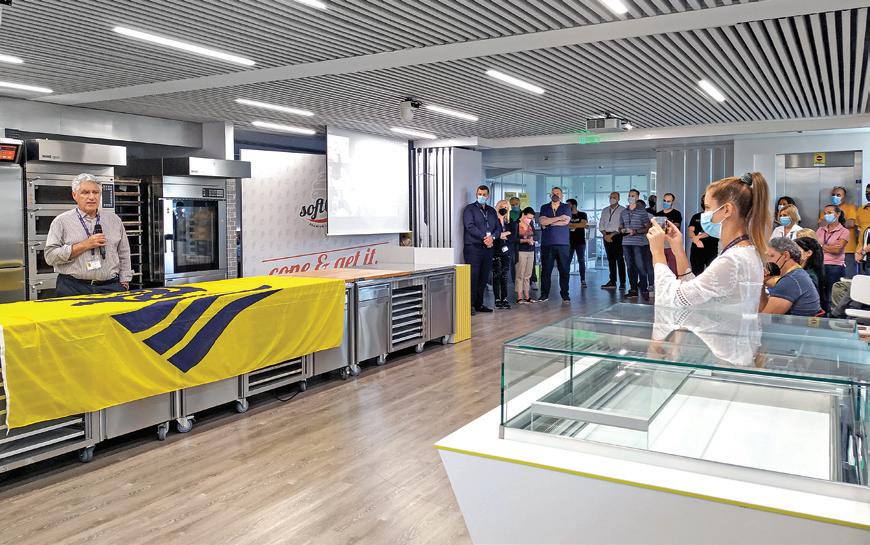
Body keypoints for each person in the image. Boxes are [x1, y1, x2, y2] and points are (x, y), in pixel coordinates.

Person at [647, 172, 770, 313]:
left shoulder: (732, 260)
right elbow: (695, 293)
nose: (704, 214)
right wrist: (678, 250)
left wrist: (657, 252)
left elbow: (674, 299)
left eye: (707, 207)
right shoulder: (745, 251)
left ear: (727, 210)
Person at [44, 174, 132, 297]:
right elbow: (50, 257)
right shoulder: (61, 221)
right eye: (85, 192)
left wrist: (124, 280)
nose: (91, 197)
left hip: (110, 287)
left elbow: (124, 252)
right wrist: (85, 245)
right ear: (74, 195)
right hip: (73, 288)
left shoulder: (114, 220)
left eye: (95, 192)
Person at [462, 185, 502, 314]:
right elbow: (470, 226)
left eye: (484, 194)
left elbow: (498, 228)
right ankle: (470, 305)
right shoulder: (469, 209)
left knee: (484, 277)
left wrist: (493, 237)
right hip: (473, 248)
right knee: (473, 277)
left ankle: (479, 304)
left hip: (488, 249)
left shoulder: (491, 211)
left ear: (488, 196)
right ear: (476, 194)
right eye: (480, 194)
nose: (482, 196)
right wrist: (485, 237)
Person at [760, 237, 821, 317]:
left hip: (795, 324)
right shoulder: (797, 274)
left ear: (786, 256)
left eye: (771, 256)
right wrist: (762, 282)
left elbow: (764, 317)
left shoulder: (791, 280)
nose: (767, 261)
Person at [538, 187, 572, 303]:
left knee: (564, 270)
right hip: (547, 244)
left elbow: (565, 222)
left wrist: (549, 222)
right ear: (550, 195)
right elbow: (542, 221)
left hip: (563, 244)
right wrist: (559, 218)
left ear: (561, 195)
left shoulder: (566, 207)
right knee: (546, 271)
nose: (555, 194)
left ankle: (565, 295)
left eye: (558, 193)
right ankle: (544, 295)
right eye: (553, 193)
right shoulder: (544, 207)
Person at [620, 189, 653, 299]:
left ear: (637, 197)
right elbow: (620, 226)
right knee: (630, 267)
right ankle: (633, 289)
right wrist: (621, 229)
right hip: (626, 242)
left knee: (640, 266)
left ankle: (644, 289)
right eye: (629, 195)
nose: (631, 197)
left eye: (633, 195)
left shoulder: (642, 212)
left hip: (639, 243)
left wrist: (635, 231)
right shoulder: (623, 212)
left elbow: (647, 228)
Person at [816, 204, 850, 311]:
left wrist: (821, 246)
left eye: (830, 213)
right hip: (819, 265)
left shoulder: (844, 231)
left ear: (838, 214)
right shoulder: (820, 230)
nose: (827, 215)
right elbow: (814, 247)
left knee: (832, 297)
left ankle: (833, 317)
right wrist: (828, 247)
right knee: (820, 296)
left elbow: (837, 250)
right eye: (825, 213)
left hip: (835, 266)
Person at [819, 186, 858, 278]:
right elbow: (821, 224)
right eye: (833, 195)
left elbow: (851, 223)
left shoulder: (850, 207)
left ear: (844, 196)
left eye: (838, 195)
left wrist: (833, 223)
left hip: (848, 250)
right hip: (826, 254)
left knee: (847, 278)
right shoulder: (827, 209)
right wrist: (837, 221)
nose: (835, 197)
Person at [598, 191, 626, 290]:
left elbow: (623, 226)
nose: (612, 199)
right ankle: (612, 281)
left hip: (617, 236)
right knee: (610, 260)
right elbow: (601, 224)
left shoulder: (623, 210)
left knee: (620, 259)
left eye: (614, 197)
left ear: (618, 199)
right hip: (606, 236)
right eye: (610, 197)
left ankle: (622, 282)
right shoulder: (605, 210)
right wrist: (605, 235)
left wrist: (612, 235)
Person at [491, 199, 514, 310]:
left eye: (506, 207)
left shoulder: (509, 221)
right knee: (496, 275)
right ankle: (497, 299)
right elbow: (493, 235)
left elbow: (512, 235)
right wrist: (502, 234)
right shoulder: (493, 220)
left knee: (505, 276)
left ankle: (504, 298)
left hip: (506, 251)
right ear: (497, 208)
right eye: (501, 207)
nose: (503, 209)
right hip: (495, 250)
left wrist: (502, 234)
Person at [687, 197, 718, 276]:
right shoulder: (696, 216)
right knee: (696, 274)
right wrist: (696, 240)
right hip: (696, 250)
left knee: (711, 274)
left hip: (711, 249)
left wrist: (698, 237)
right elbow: (690, 230)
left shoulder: (716, 217)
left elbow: (711, 231)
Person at [654, 193, 683, 274]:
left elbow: (676, 226)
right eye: (664, 200)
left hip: (671, 245)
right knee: (661, 269)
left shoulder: (676, 214)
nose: (666, 202)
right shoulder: (658, 214)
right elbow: (654, 227)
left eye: (668, 201)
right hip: (660, 245)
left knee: (673, 268)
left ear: (672, 202)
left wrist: (665, 226)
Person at [515, 207, 537, 304]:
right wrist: (525, 240)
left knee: (528, 274)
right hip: (521, 251)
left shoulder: (530, 224)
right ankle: (519, 297)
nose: (530, 220)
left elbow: (536, 235)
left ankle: (527, 296)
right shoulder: (516, 224)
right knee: (520, 274)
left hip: (531, 251)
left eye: (531, 218)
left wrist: (532, 239)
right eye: (528, 217)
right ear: (523, 214)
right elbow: (513, 239)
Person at [794, 236, 825, 304]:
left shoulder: (809, 276)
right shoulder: (800, 272)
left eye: (795, 251)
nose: (792, 253)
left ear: (808, 253)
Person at [566, 198, 588, 288]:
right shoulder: (566, 215)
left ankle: (583, 280)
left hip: (580, 241)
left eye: (569, 204)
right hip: (569, 242)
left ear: (574, 205)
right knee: (567, 261)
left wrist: (571, 225)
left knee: (581, 260)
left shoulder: (582, 214)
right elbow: (564, 225)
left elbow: (583, 224)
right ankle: (565, 279)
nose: (567, 206)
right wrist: (578, 225)